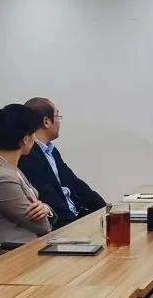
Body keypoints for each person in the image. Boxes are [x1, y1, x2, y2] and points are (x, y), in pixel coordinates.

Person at [20, 97, 106, 230]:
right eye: (57, 116)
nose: (59, 122)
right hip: (64, 225)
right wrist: (76, 225)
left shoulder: (51, 151)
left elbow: (75, 183)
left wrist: (105, 209)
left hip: (77, 216)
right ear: (46, 121)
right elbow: (48, 196)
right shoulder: (29, 155)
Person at [0, 104, 55, 243]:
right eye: (33, 134)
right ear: (26, 139)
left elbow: (38, 210)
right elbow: (42, 226)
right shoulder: (2, 178)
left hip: (31, 244)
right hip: (15, 250)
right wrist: (45, 210)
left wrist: (46, 209)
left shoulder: (10, 168)